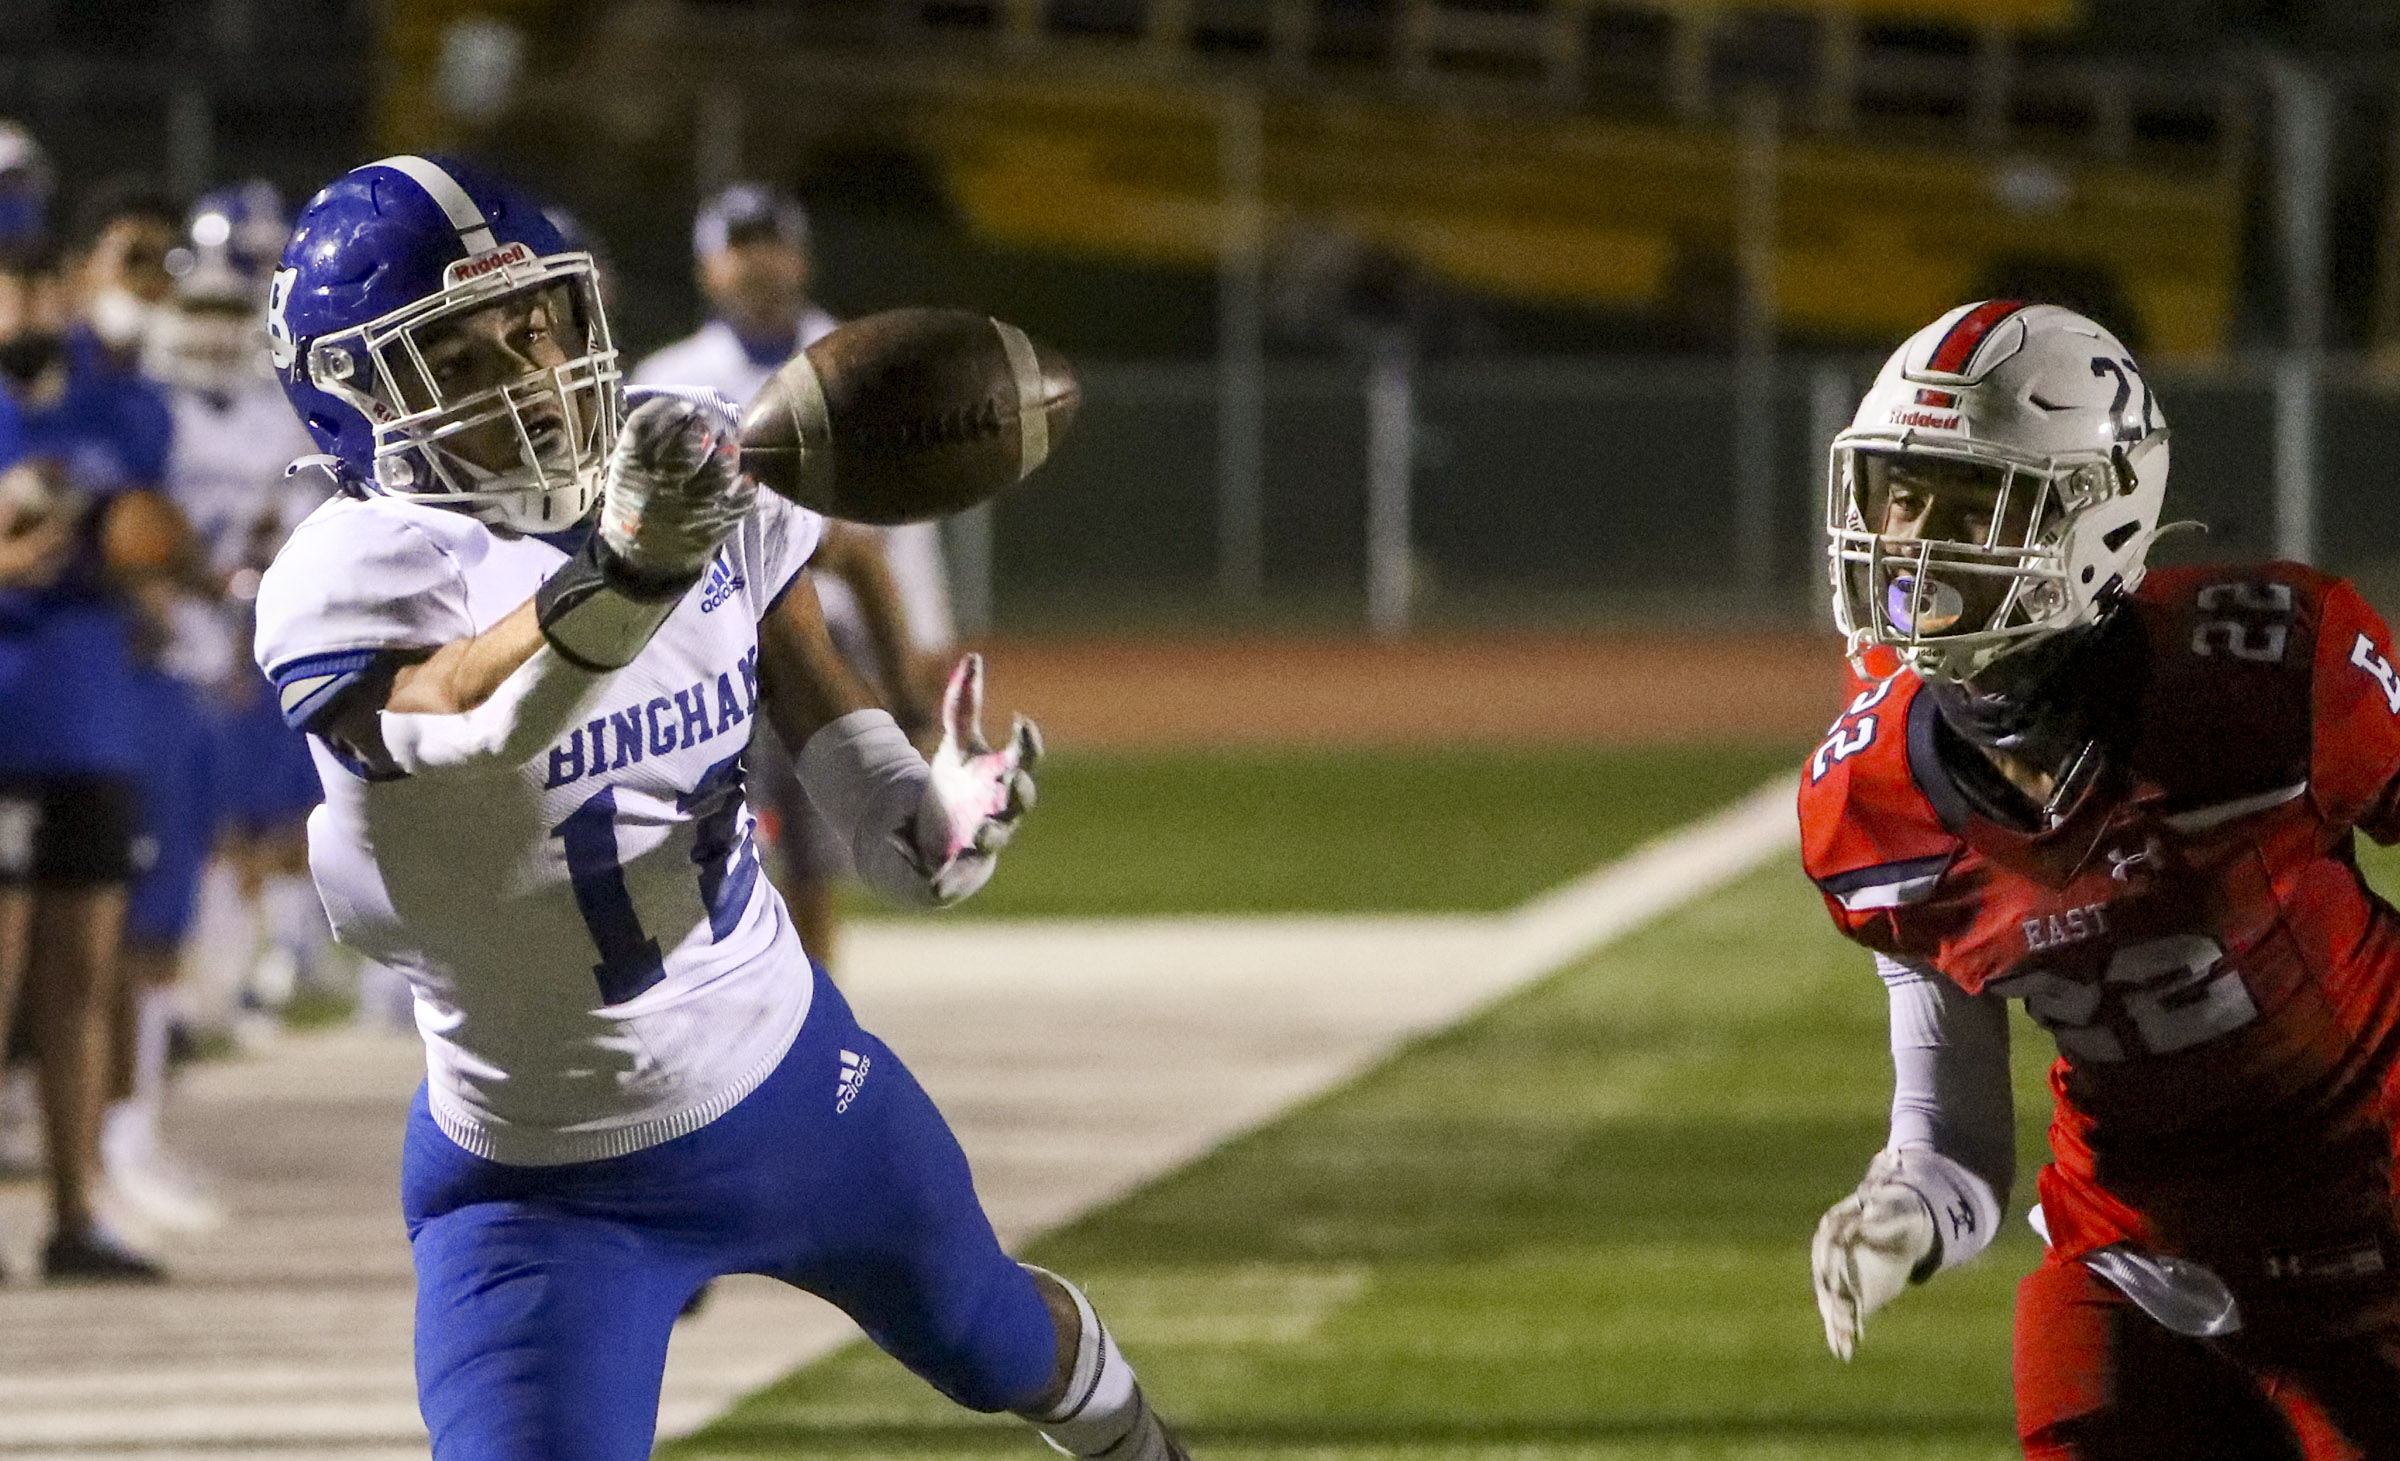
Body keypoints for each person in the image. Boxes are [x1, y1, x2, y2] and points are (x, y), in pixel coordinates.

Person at [253, 154, 1183, 1461]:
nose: (530, 376)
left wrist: (927, 830)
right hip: (545, 1179)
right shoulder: (354, 570)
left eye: (538, 327)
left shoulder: (680, 461)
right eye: (461, 362)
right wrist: (630, 573)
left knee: (1000, 1345)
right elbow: (466, 722)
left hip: (796, 1074)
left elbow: (825, 719)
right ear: (356, 403)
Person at [1802, 300, 2400, 1458]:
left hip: (2376, 1238)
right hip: (2138, 1260)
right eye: (1899, 493)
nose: (1914, 542)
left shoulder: (2267, 678)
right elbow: (1951, 1139)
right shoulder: (1873, 803)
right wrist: (1902, 1213)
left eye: (1971, 500)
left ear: (2097, 514)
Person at [633, 181, 950, 966]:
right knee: (708, 844)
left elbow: (901, 523)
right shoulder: (668, 375)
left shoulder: (855, 359)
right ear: (710, 268)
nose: (758, 264)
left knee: (815, 853)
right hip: (703, 635)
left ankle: (818, 1003)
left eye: (771, 243)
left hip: (830, 630)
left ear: (800, 256)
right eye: (740, 247)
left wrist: (919, 656)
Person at [0, 235, 188, 1281]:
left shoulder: (126, 408)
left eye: (37, 283)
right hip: (6, 716)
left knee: (82, 979)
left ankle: (75, 1214)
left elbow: (160, 539)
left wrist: (154, 570)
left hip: (90, 718)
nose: (24, 307)